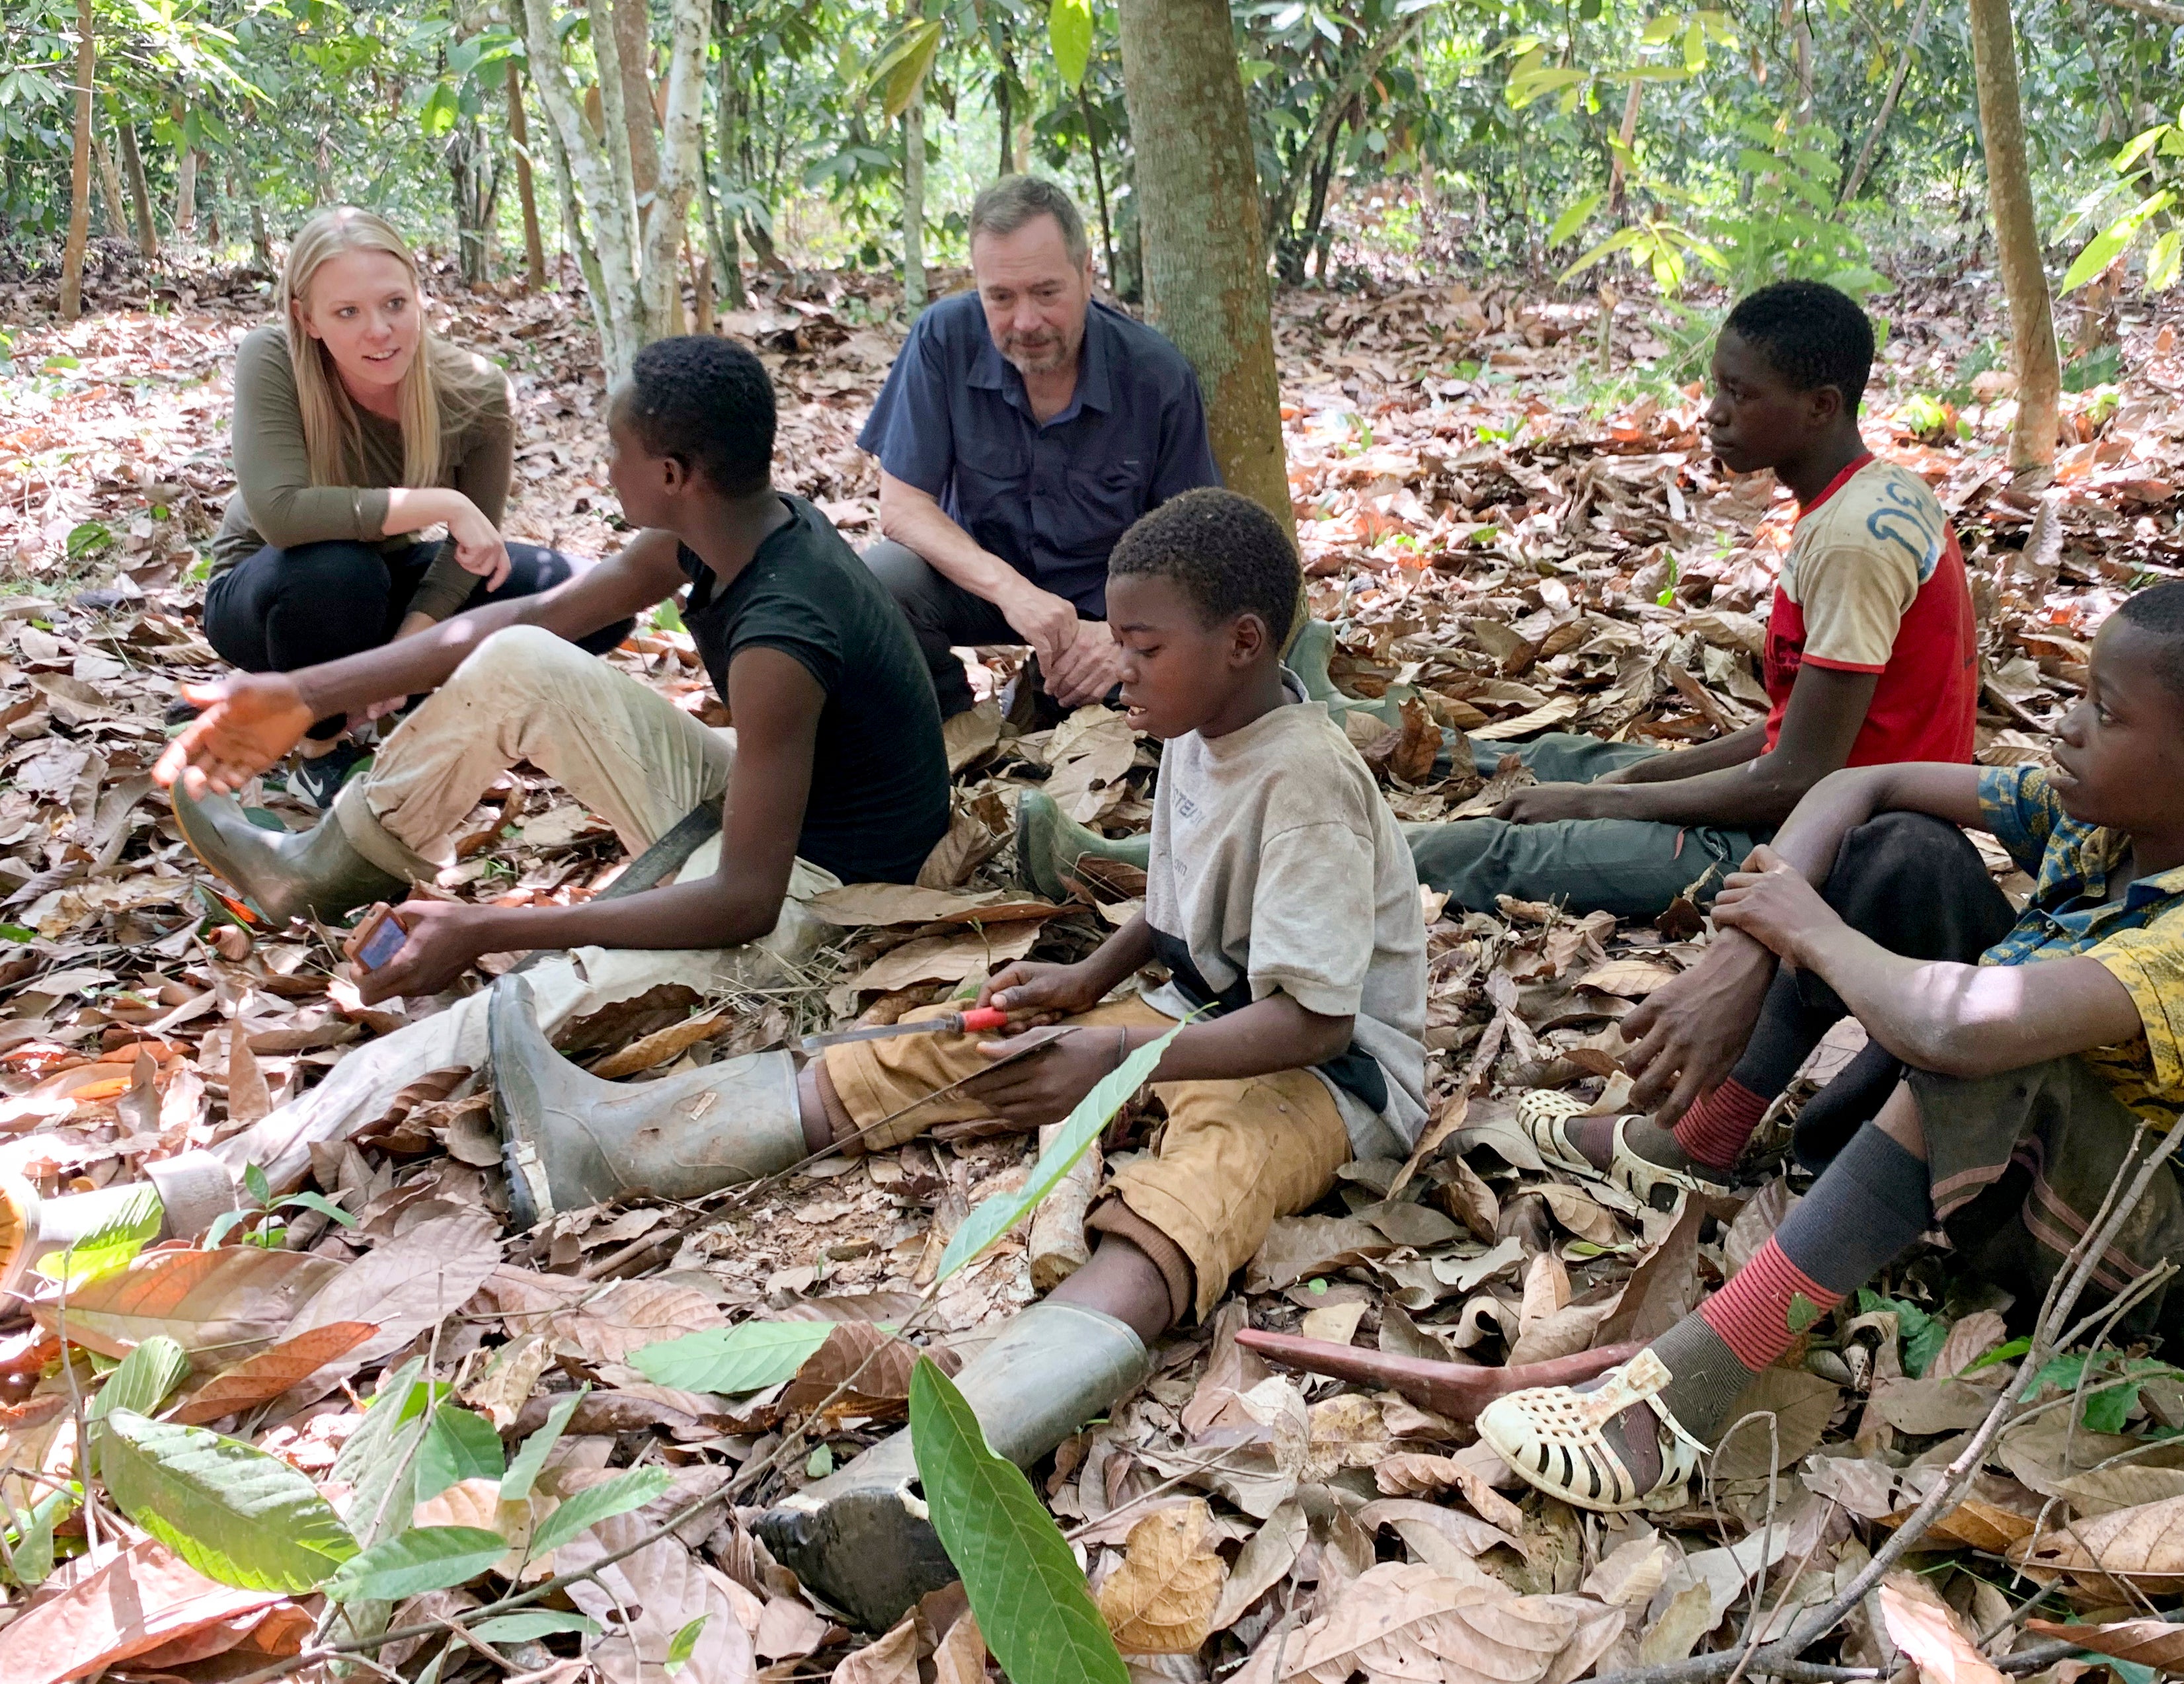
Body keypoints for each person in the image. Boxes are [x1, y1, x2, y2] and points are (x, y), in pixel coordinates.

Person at [446, 488, 1423, 1623]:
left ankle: (940, 1468)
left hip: (1328, 1080)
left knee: (1195, 1190)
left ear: (1244, 644)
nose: (1122, 668)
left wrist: (1115, 1055)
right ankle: (608, 1148)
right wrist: (1085, 989)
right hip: (1197, 1006)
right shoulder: (1199, 727)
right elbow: (1168, 905)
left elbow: (1315, 1022)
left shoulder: (1302, 782)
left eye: (1143, 648)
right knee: (963, 1048)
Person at [1475, 579, 2184, 1513]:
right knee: (1902, 849)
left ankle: (1691, 1387)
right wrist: (1746, 946)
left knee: (1987, 1036)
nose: (2065, 725)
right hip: (2064, 1170)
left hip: (2176, 1269)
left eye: (2104, 712)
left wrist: (1804, 927)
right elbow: (1860, 783)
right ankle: (1701, 1141)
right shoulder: (2118, 822)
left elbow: (1955, 1025)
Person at [155, 335, 951, 1006]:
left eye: (616, 449)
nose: (605, 466)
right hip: (774, 824)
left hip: (824, 898)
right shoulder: (727, 528)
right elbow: (527, 620)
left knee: (522, 1013)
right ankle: (322, 873)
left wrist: (489, 930)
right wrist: (305, 693)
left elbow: (744, 901)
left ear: (672, 475)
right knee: (518, 659)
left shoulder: (781, 636)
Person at [1403, 279, 1981, 921]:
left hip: (1827, 844)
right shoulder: (1880, 492)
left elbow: (1797, 776)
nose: (1714, 412)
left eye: (1740, 393)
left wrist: (1601, 803)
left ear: (1820, 406)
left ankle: (1315, 856)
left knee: (1500, 854)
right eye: (1718, 386)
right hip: (1814, 795)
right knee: (1567, 758)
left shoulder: (1850, 543)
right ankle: (1346, 720)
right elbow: (1790, 737)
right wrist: (1629, 781)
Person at [204, 206, 630, 800]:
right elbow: (281, 514)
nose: (379, 330)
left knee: (592, 602)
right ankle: (321, 749)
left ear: (419, 298)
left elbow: (471, 555)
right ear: (307, 318)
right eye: (347, 312)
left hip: (382, 582)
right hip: (272, 589)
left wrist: (411, 647)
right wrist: (445, 502)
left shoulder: (474, 390)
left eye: (395, 304)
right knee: (336, 569)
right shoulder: (274, 358)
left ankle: (398, 699)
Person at [857, 174, 1220, 721]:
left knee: (1198, 679)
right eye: (1000, 298)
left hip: (1107, 609)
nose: (1025, 322)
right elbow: (903, 507)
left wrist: (1123, 636)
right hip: (978, 582)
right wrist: (1011, 591)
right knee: (877, 585)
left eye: (1047, 293)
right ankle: (951, 732)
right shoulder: (943, 339)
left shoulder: (1155, 374)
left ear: (1086, 273)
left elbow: (1193, 546)